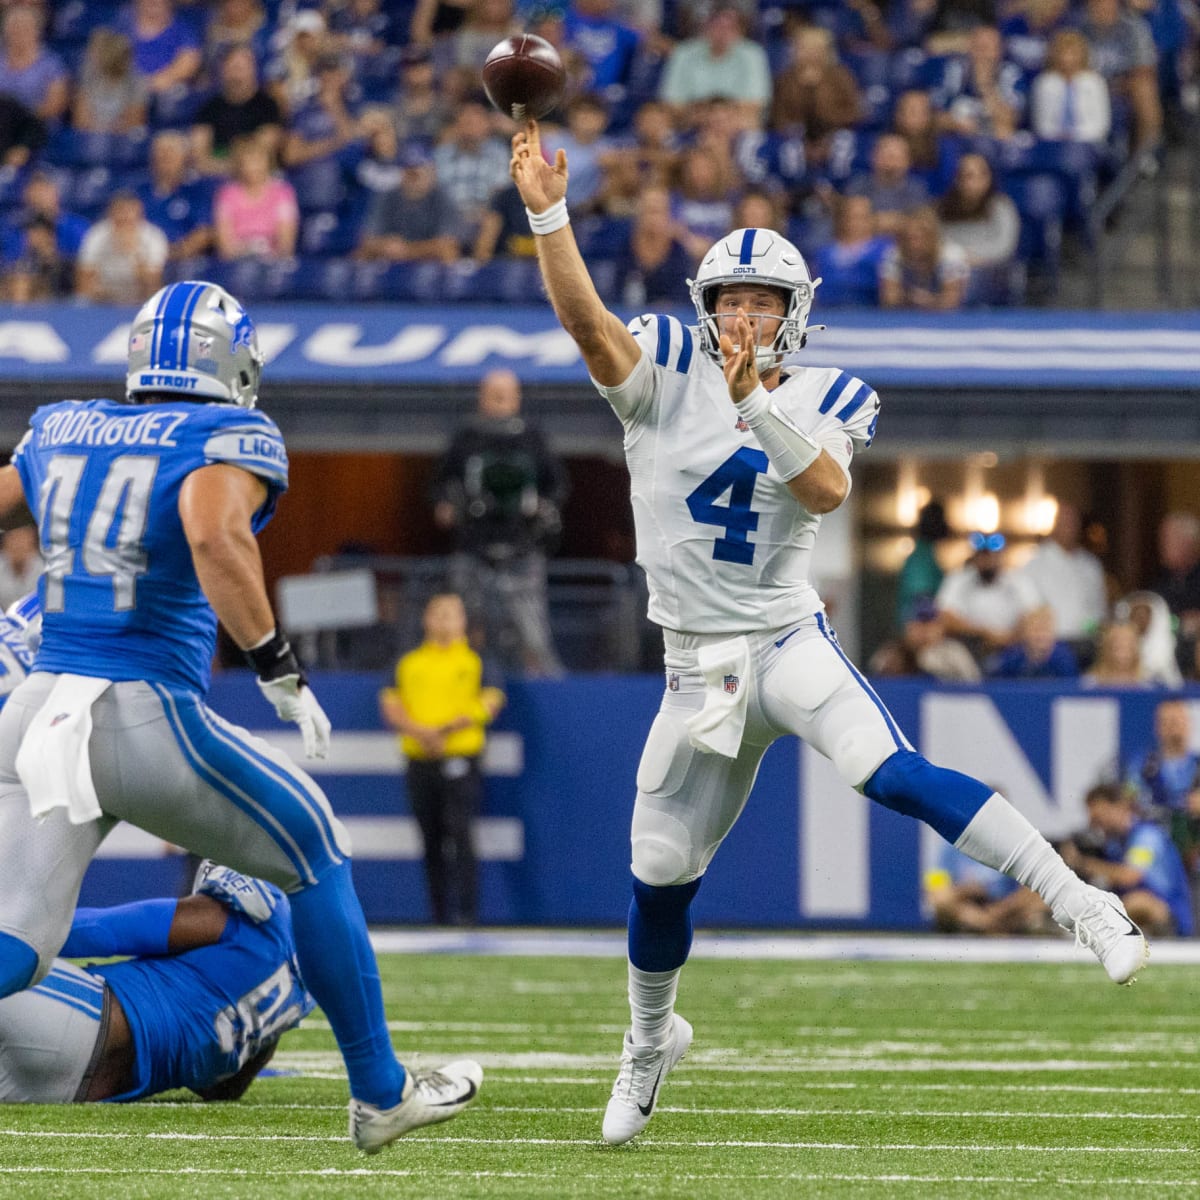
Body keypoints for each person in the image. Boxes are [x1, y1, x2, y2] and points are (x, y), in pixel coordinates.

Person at [509, 116, 1148, 1148]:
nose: (746, 316)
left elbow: (823, 485)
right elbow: (589, 326)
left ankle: (1079, 899)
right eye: (732, 300)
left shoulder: (828, 392)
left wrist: (754, 397)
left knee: (884, 771)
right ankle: (650, 1042)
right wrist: (548, 212)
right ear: (705, 306)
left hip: (781, 640)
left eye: (764, 303)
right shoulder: (665, 365)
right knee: (658, 872)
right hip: (689, 669)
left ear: (794, 315)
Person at [0, 280, 481, 1151]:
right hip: (138, 705)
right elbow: (213, 530)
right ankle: (380, 1093)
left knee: (20, 947)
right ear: (234, 365)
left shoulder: (65, 423)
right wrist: (277, 666)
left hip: (35, 711)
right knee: (317, 851)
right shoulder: (226, 432)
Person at [0, 862, 315, 1103]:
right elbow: (223, 1089)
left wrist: (19, 937)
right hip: (75, 1088)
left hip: (82, 1019)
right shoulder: (301, 989)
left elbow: (102, 931)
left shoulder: (264, 915)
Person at [432, 368, 569, 678]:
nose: (500, 402)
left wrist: (543, 509)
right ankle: (462, 680)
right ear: (482, 397)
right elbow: (439, 482)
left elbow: (558, 484)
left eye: (506, 395)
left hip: (523, 547)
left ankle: (547, 687)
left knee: (532, 632)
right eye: (494, 395)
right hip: (472, 546)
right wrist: (445, 507)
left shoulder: (533, 437)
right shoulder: (466, 437)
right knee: (463, 623)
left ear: (517, 398)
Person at [380, 594, 505, 926]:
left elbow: (490, 703)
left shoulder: (477, 661)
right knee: (430, 837)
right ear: (426, 619)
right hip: (419, 760)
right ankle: (439, 915)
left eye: (452, 615)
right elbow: (391, 703)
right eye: (439, 614)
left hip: (461, 757)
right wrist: (420, 732)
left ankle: (467, 914)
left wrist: (445, 730)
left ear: (463, 620)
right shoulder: (409, 663)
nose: (445, 621)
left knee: (461, 833)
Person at [1059, 783, 1192, 937]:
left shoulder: (1146, 837)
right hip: (1126, 908)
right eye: (1094, 819)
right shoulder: (1113, 844)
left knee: (1136, 902)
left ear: (1120, 807)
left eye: (1101, 817)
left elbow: (1129, 876)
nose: (1096, 824)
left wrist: (1082, 863)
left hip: (1168, 913)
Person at [1018, 502, 1108, 648]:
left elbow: (1098, 609)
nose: (1069, 527)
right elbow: (1030, 610)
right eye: (1064, 522)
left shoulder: (1091, 565)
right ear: (1054, 525)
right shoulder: (1034, 565)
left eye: (1073, 522)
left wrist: (1089, 629)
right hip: (1051, 646)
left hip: (1088, 644)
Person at [937, 531, 1040, 654]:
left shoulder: (1019, 581)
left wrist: (1007, 638)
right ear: (974, 556)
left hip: (1012, 647)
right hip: (969, 647)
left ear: (1002, 555)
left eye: (991, 555)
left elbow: (1035, 615)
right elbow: (944, 616)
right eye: (982, 555)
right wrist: (984, 634)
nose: (987, 560)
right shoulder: (958, 579)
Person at [924, 840, 1050, 933]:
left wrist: (1002, 910)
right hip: (968, 907)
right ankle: (984, 926)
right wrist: (966, 891)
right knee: (941, 901)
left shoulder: (1015, 842)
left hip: (1007, 907)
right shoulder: (950, 844)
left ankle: (988, 927)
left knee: (1039, 900)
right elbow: (936, 887)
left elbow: (1033, 885)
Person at [74, 192, 169, 306]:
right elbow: (83, 280)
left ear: (139, 212)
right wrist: (100, 295)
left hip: (140, 300)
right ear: (110, 212)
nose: (125, 216)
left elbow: (152, 285)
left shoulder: (154, 236)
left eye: (129, 211)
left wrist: (132, 253)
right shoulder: (97, 234)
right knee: (80, 302)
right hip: (103, 300)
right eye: (120, 210)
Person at [985, 604, 1080, 678]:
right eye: (1036, 630)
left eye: (1045, 630)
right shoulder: (1012, 657)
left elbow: (1072, 690)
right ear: (1025, 633)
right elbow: (996, 681)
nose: (1041, 636)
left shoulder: (1064, 659)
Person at [0, 526, 42, 612]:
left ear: (33, 545)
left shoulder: (45, 570)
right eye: (13, 540)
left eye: (23, 542)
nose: (18, 545)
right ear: (5, 544)